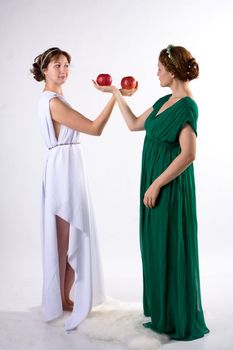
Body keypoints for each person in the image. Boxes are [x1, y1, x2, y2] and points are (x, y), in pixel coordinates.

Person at [94, 45, 209, 340]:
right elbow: (133, 125)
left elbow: (189, 154)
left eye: (159, 68)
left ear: (171, 70)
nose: (156, 72)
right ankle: (162, 312)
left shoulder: (187, 107)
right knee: (154, 243)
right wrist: (116, 94)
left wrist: (157, 183)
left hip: (169, 187)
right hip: (152, 183)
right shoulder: (162, 102)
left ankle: (176, 316)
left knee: (170, 244)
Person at [31, 47, 116, 332]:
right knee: (64, 236)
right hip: (63, 170)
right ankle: (59, 299)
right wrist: (115, 96)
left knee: (66, 236)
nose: (63, 70)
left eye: (67, 65)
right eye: (57, 65)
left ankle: (63, 297)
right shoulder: (54, 102)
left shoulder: (54, 99)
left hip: (65, 166)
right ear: (45, 70)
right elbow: (94, 128)